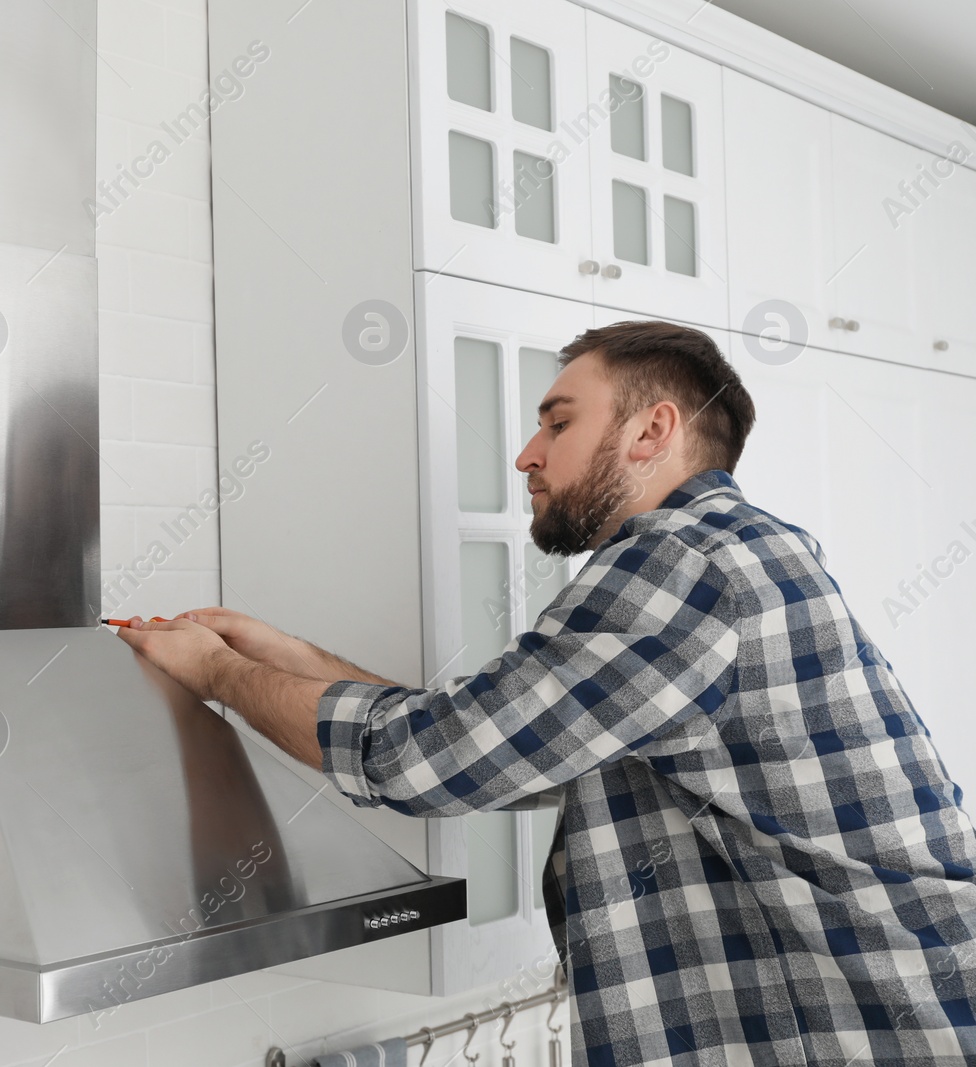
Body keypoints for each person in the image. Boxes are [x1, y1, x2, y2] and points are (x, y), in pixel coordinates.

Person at [116, 320, 976, 1067]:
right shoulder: (738, 548)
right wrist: (288, 653)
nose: (527, 454)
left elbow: (428, 762)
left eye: (558, 422)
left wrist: (220, 676)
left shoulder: (679, 561)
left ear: (652, 431)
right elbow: (508, 746)